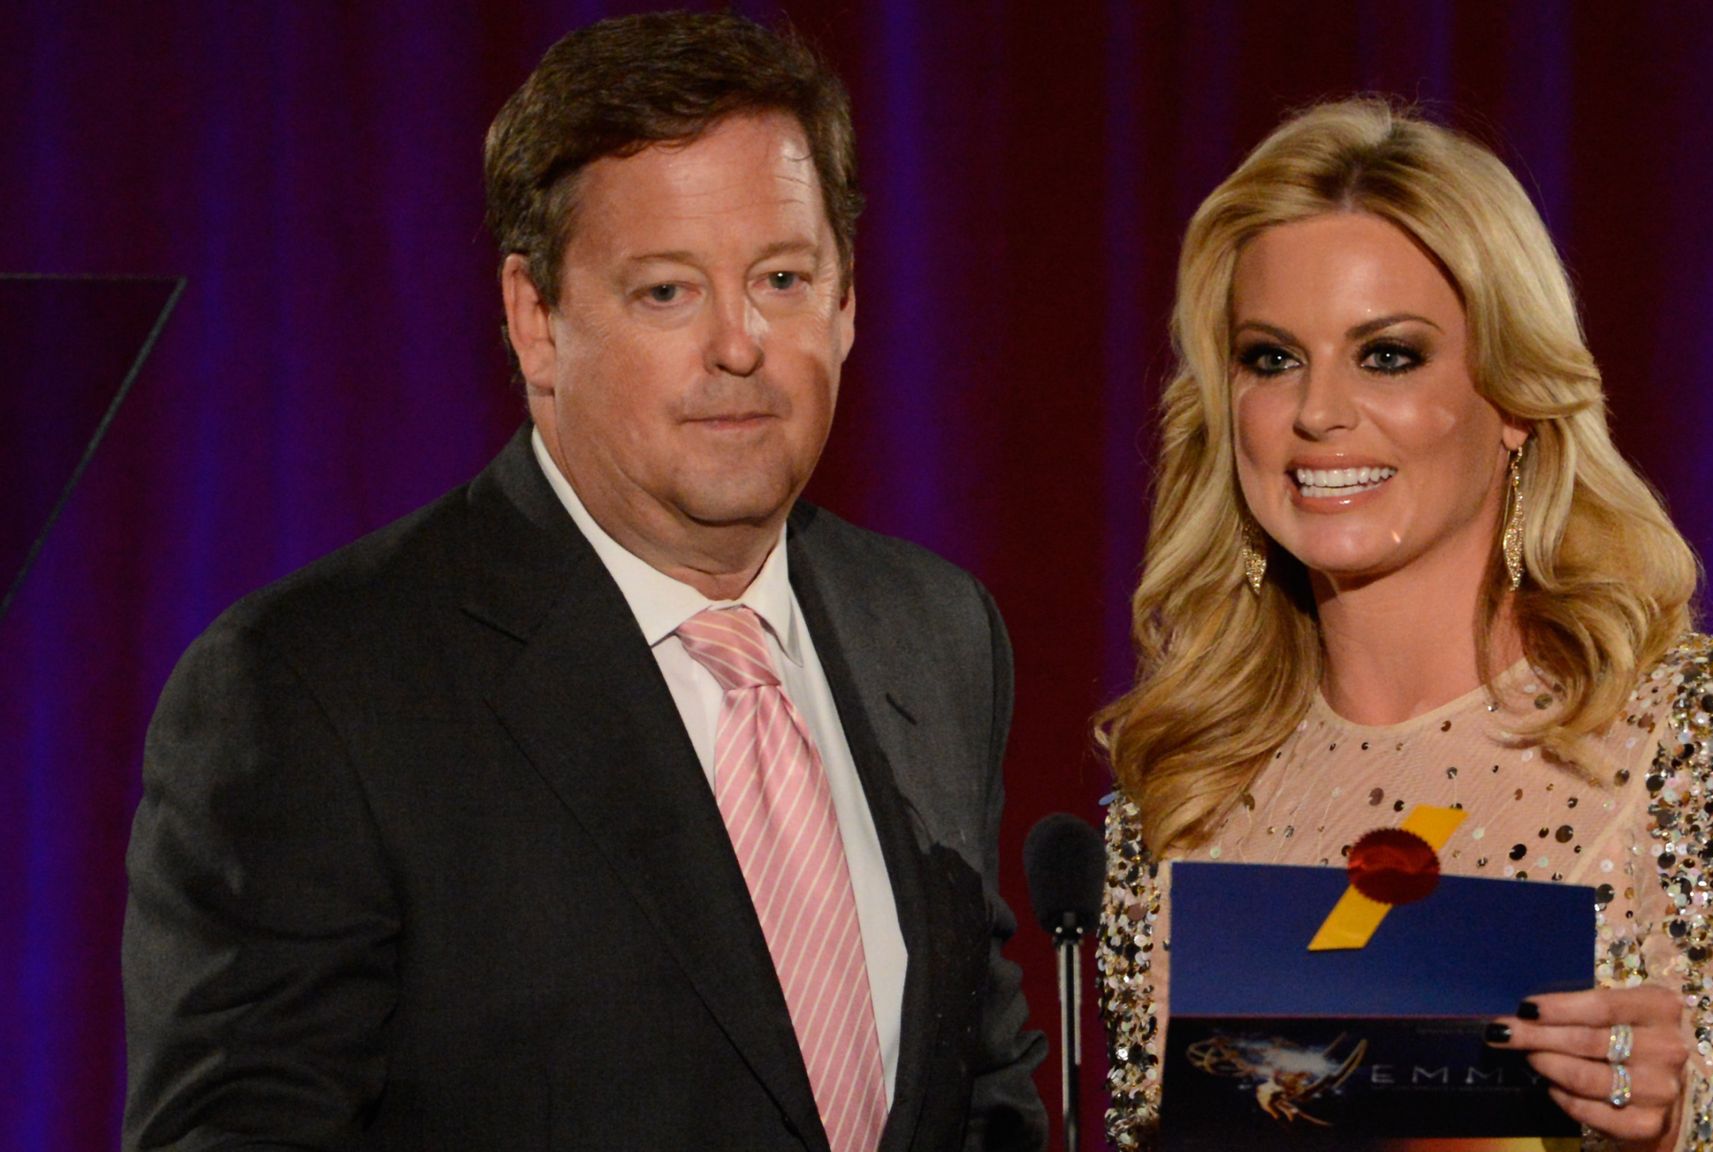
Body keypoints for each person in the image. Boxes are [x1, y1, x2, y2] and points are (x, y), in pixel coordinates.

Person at [122, 11, 1046, 1151]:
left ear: (847, 302)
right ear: (535, 320)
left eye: (783, 277)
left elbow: (982, 1093)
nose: (740, 343)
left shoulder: (936, 630)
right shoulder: (313, 688)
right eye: (666, 291)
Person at [1093, 99, 1713, 1152]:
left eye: (1387, 355)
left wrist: (1681, 1123)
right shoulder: (1179, 787)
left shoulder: (1711, 739)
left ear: (1511, 398)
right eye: (1269, 358)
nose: (1318, 412)